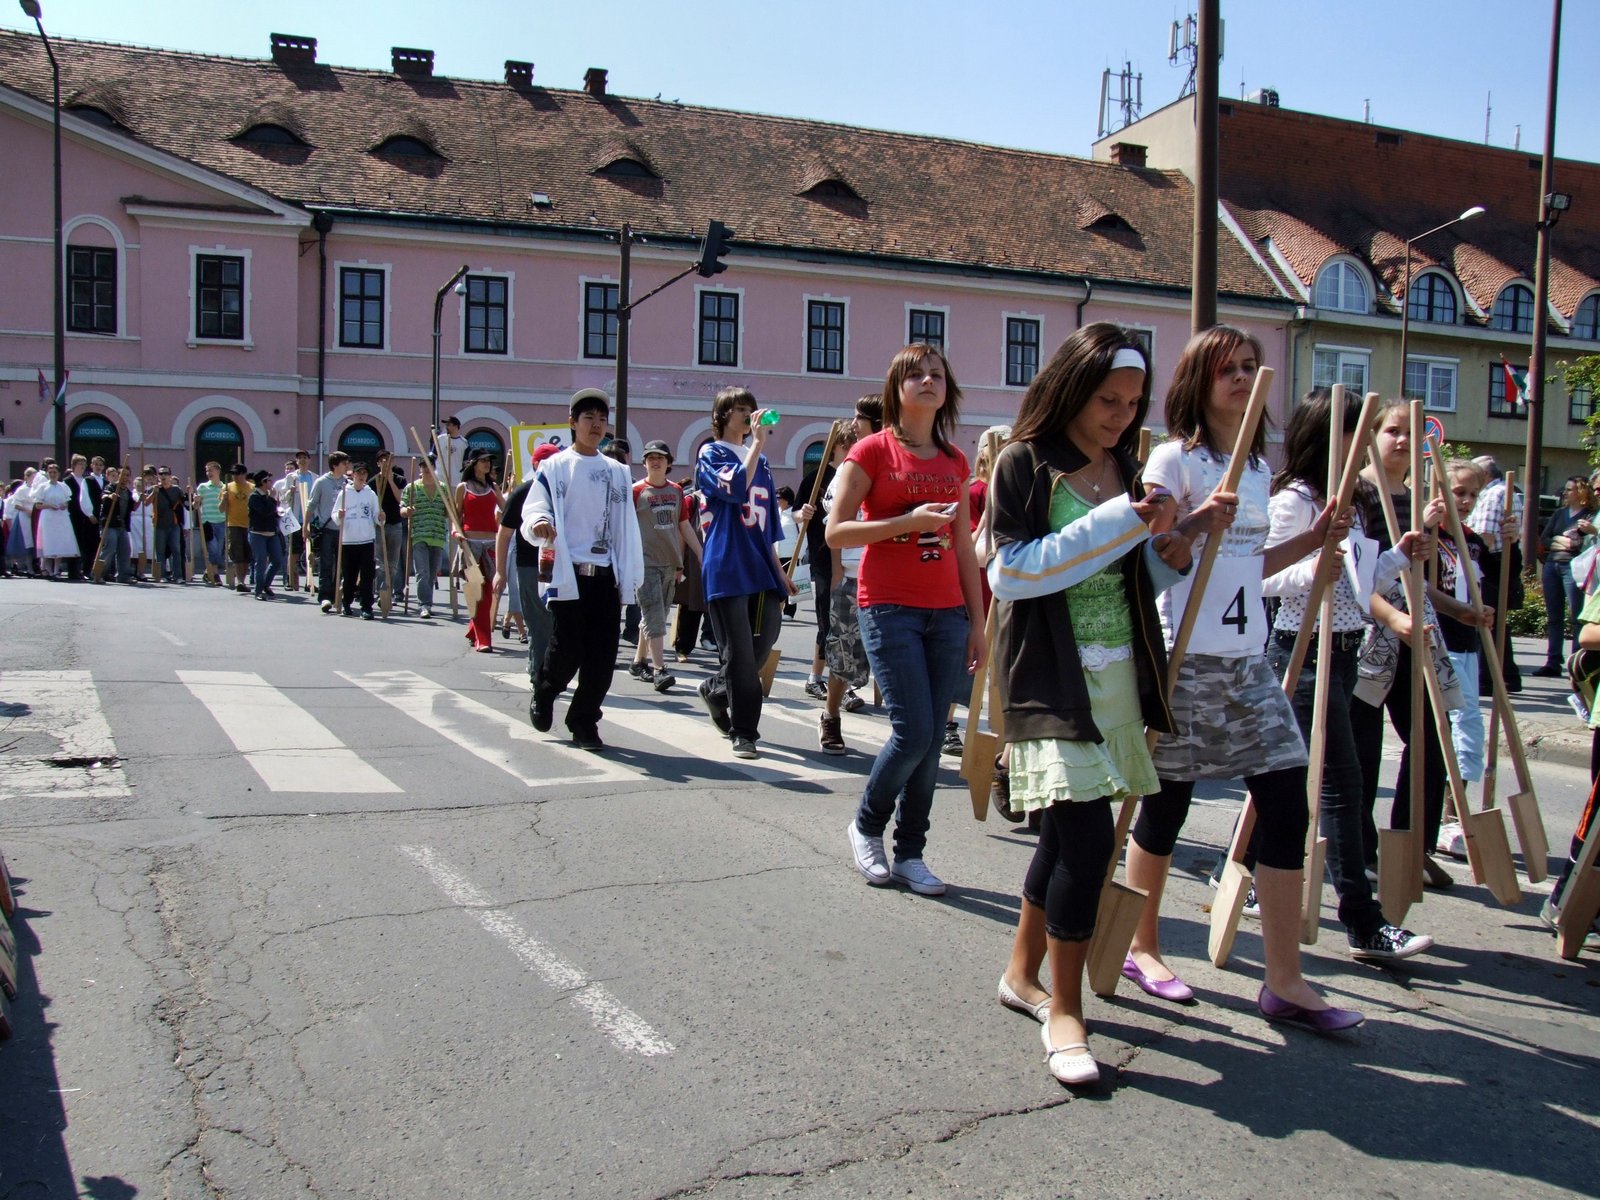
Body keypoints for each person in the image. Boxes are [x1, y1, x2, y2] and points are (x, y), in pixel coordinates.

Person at [1128, 326, 1363, 1026]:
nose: (1240, 377)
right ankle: (1142, 946)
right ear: (1198, 381)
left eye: (1250, 366)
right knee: (1167, 804)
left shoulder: (1259, 469)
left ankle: (1285, 979)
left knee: (1288, 800)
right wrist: (1199, 519)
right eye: (1226, 368)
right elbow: (1153, 554)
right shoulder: (1174, 460)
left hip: (1247, 661)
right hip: (1184, 657)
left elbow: (1246, 568)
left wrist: (1312, 540)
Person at [983, 323, 1193, 1085]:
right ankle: (1066, 1011)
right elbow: (1012, 573)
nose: (1122, 415)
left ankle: (1020, 974)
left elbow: (1127, 578)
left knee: (1065, 836)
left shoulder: (1128, 467)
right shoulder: (1024, 463)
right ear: (1073, 389)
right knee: (1086, 842)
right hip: (1050, 678)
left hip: (1118, 680)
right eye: (1109, 399)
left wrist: (1171, 553)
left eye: (1134, 403)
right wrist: (1124, 521)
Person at [1265, 390, 1436, 961]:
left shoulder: (1355, 501)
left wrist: (1399, 556)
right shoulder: (1295, 499)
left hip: (1343, 652)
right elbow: (1259, 575)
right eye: (1354, 431)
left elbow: (1361, 585)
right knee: (1340, 784)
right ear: (1327, 435)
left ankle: (1248, 867)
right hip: (1299, 651)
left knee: (1296, 782)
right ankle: (1363, 921)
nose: (1362, 444)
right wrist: (1312, 567)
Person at [829, 344, 984, 896]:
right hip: (888, 606)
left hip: (947, 612)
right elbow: (836, 531)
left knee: (931, 738)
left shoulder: (955, 460)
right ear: (897, 388)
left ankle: (911, 852)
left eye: (936, 374)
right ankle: (866, 825)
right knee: (914, 731)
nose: (927, 381)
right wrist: (906, 522)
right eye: (915, 374)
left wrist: (978, 622)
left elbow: (963, 546)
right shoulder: (872, 451)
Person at [1352, 401, 1459, 890]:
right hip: (1367, 633)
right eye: (1393, 430)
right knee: (1362, 750)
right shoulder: (1358, 494)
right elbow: (1357, 579)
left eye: (1411, 433)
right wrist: (1392, 617)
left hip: (1414, 630)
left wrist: (1460, 610)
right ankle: (1361, 850)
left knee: (1431, 739)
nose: (1401, 440)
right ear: (1372, 437)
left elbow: (1416, 580)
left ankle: (1413, 846)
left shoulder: (1416, 500)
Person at [523, 389, 643, 751]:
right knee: (567, 649)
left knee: (602, 657)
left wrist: (630, 574)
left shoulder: (617, 472)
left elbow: (626, 525)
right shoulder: (555, 467)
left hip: (606, 576)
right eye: (588, 418)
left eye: (601, 419)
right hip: (569, 573)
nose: (596, 425)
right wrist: (540, 522)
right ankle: (546, 690)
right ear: (572, 423)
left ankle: (584, 721)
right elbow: (536, 506)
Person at [697, 387, 798, 759]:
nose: (748, 416)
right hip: (728, 562)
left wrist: (779, 570)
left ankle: (715, 689)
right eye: (740, 409)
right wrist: (755, 445)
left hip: (761, 563)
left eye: (750, 409)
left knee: (761, 644)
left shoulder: (764, 462)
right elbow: (735, 487)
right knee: (739, 653)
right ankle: (744, 731)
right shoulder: (711, 453)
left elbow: (767, 521)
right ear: (723, 415)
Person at [1432, 459, 1498, 784]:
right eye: (1459, 492)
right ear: (1439, 491)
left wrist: (1509, 546)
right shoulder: (1429, 535)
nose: (1466, 501)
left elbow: (1500, 584)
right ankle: (1453, 795)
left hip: (1469, 640)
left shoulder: (1473, 541)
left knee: (1469, 716)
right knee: (1465, 713)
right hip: (1441, 638)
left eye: (1473, 494)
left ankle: (1458, 793)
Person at [629, 440, 702, 692]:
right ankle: (659, 669)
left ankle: (639, 661)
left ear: (668, 462)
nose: (655, 461)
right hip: (645, 563)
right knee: (654, 615)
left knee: (655, 614)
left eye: (660, 457)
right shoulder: (636, 491)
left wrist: (700, 554)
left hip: (670, 563)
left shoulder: (676, 491)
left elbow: (684, 525)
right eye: (650, 457)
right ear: (644, 462)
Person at [817, 419, 865, 754]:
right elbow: (833, 526)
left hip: (888, 578)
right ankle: (831, 714)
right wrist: (836, 572)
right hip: (851, 575)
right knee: (844, 652)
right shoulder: (845, 475)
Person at [499, 442, 561, 685]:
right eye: (545, 463)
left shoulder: (565, 491)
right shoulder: (522, 492)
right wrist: (500, 572)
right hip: (529, 566)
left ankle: (546, 668)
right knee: (538, 623)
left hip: (561, 566)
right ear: (535, 465)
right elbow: (504, 533)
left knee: (558, 623)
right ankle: (538, 675)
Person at [798, 423, 850, 699]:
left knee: (848, 623)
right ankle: (815, 677)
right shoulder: (817, 477)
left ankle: (844, 684)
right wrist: (803, 514)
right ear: (837, 446)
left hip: (851, 556)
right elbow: (796, 512)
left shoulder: (857, 475)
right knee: (827, 620)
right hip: (823, 557)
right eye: (848, 445)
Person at [1536, 476, 1597, 676]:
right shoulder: (1559, 513)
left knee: (1576, 616)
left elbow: (1581, 544)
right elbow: (1545, 538)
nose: (1565, 493)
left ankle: (1577, 662)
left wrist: (1564, 542)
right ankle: (1553, 661)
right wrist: (1562, 541)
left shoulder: (1590, 516)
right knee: (1554, 616)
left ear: (1580, 492)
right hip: (1552, 565)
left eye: (1570, 489)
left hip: (1573, 567)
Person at [457, 451, 502, 651]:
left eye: (489, 461)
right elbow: (456, 515)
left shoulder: (494, 488)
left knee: (489, 592)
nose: (487, 464)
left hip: (491, 544)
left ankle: (473, 631)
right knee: (476, 591)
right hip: (470, 544)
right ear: (473, 464)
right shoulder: (463, 488)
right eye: (483, 460)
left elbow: (507, 509)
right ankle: (483, 639)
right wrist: (456, 532)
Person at [401, 456, 449, 619]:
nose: (426, 469)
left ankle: (427, 602)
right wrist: (407, 511)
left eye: (429, 466)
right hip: (419, 534)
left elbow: (448, 511)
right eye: (423, 466)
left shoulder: (442, 488)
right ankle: (424, 604)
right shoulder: (412, 488)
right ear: (420, 469)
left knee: (432, 573)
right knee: (422, 572)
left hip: (437, 534)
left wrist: (450, 510)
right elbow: (402, 508)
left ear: (434, 468)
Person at [332, 461, 381, 618]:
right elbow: (334, 515)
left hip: (366, 540)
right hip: (348, 540)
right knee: (349, 575)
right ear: (353, 474)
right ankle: (346, 603)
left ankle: (367, 606)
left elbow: (376, 514)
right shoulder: (344, 493)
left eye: (364, 473)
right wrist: (339, 515)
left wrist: (381, 517)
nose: (361, 476)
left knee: (367, 576)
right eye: (359, 473)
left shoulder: (370, 494)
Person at [309, 451, 351, 613]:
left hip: (344, 531)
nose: (346, 466)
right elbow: (312, 504)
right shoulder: (321, 482)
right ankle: (325, 597)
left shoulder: (348, 483)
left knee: (342, 565)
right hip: (327, 529)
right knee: (326, 564)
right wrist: (306, 526)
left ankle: (336, 595)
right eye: (344, 463)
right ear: (335, 465)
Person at [32, 462, 77, 577]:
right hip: (48, 517)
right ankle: (47, 569)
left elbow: (67, 501)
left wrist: (64, 505)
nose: (52, 474)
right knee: (48, 542)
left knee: (59, 542)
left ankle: (56, 570)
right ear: (47, 473)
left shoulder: (63, 486)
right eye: (50, 472)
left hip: (60, 517)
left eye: (55, 472)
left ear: (58, 474)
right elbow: (37, 505)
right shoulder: (43, 487)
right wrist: (49, 506)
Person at [372, 450, 406, 600]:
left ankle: (389, 591)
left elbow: (401, 500)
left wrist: (391, 481)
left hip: (396, 524)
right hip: (379, 526)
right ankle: (380, 593)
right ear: (378, 463)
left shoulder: (400, 480)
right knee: (380, 563)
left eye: (388, 460)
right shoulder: (373, 482)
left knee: (393, 563)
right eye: (382, 460)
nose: (385, 463)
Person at [246, 469, 285, 598]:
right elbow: (265, 511)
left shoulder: (268, 496)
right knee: (261, 562)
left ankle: (266, 585)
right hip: (257, 533)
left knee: (277, 560)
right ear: (263, 482)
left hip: (271, 533)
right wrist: (273, 499)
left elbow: (273, 512)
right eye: (269, 480)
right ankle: (258, 591)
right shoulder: (254, 497)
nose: (271, 483)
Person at [94, 466, 136, 584]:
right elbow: (103, 496)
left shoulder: (128, 492)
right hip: (110, 524)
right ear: (118, 475)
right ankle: (99, 573)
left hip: (122, 525)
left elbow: (133, 507)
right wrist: (110, 496)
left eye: (127, 475)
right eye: (123, 475)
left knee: (125, 549)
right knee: (110, 546)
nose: (125, 477)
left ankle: (123, 576)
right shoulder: (111, 487)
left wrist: (141, 499)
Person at [65, 454, 101, 580]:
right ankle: (73, 570)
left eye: (84, 465)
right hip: (73, 516)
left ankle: (83, 569)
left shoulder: (87, 480)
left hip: (84, 517)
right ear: (74, 465)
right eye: (80, 464)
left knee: (84, 544)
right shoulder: (68, 481)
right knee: (73, 542)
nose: (83, 467)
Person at [219, 463, 254, 594]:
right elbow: (221, 509)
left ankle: (242, 579)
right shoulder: (227, 487)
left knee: (247, 554)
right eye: (233, 474)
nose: (234, 476)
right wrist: (224, 499)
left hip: (249, 524)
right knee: (237, 553)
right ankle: (240, 581)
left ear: (244, 474)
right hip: (233, 524)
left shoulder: (252, 488)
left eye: (237, 474)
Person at [151, 467, 187, 584]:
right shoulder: (154, 489)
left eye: (166, 474)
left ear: (170, 476)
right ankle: (162, 575)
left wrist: (192, 497)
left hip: (173, 524)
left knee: (176, 550)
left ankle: (178, 576)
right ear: (158, 476)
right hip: (159, 524)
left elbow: (187, 504)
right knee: (160, 551)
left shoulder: (176, 490)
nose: (163, 476)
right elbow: (146, 502)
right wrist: (153, 493)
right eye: (161, 474)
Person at [194, 461, 227, 585]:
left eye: (211, 470)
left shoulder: (225, 488)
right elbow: (195, 506)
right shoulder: (202, 487)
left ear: (218, 471)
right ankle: (216, 575)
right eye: (207, 471)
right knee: (213, 549)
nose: (208, 473)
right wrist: (196, 501)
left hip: (221, 521)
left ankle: (208, 572)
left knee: (218, 550)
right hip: (207, 522)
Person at [436, 416, 469, 487]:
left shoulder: (464, 443)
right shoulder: (439, 439)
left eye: (448, 425)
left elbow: (466, 462)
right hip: (440, 479)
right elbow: (432, 457)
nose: (446, 427)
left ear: (456, 426)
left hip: (456, 481)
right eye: (446, 425)